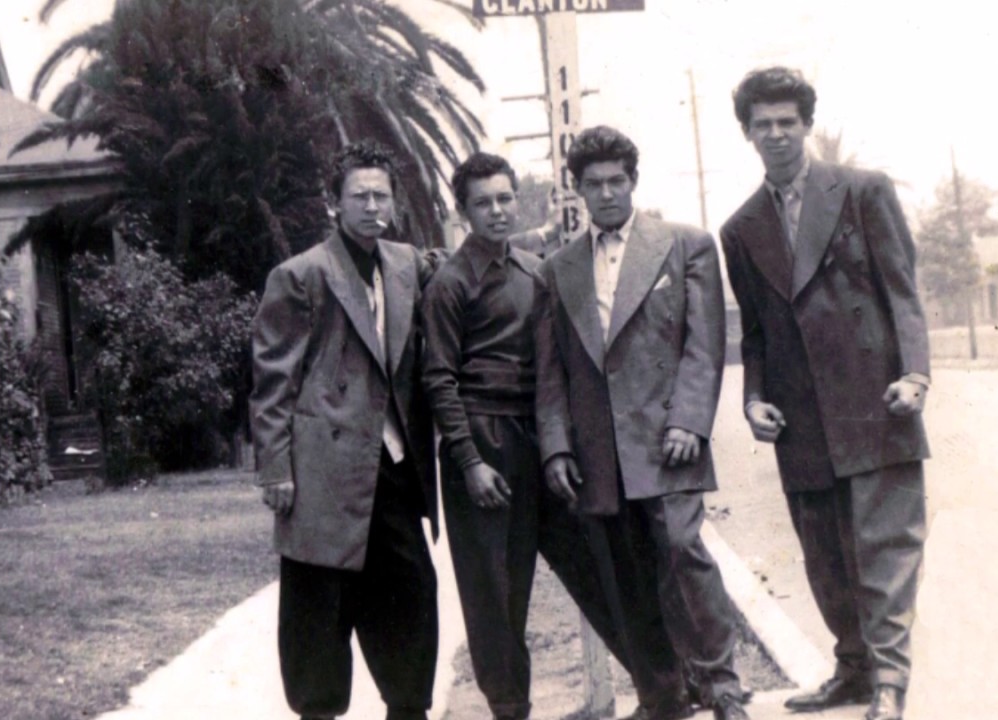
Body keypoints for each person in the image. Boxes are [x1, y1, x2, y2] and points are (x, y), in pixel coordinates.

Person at [719, 67, 930, 720]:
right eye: (762, 124)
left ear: (807, 124)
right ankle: (854, 670)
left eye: (788, 121)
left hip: (877, 401)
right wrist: (753, 399)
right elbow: (754, 334)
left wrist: (915, 375)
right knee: (826, 560)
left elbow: (902, 292)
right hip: (800, 419)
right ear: (747, 133)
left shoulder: (864, 192)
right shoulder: (740, 228)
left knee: (883, 553)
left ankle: (889, 682)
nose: (777, 134)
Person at [534, 126, 749, 720]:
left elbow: (704, 344)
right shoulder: (558, 269)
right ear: (578, 190)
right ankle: (663, 696)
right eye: (593, 184)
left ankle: (723, 685)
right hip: (598, 449)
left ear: (634, 181)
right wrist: (556, 447)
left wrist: (689, 422)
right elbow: (552, 370)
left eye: (616, 181)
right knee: (625, 571)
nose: (606, 194)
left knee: (682, 551)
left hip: (667, 438)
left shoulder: (684, 245)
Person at [421, 152, 630, 720]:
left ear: (518, 201)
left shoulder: (537, 271)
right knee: (495, 593)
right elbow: (438, 379)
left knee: (595, 563)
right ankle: (510, 709)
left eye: (505, 198)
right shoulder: (450, 283)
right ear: (463, 212)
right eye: (483, 203)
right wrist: (469, 462)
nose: (497, 211)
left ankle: (662, 685)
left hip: (543, 438)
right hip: (483, 444)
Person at [250, 141, 439, 720]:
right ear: (334, 203)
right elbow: (273, 383)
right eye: (359, 196)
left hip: (395, 468)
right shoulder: (300, 275)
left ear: (395, 202)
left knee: (411, 601)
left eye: (381, 195)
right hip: (321, 472)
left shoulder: (406, 264)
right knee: (319, 615)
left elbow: (450, 271)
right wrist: (276, 470)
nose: (372, 206)